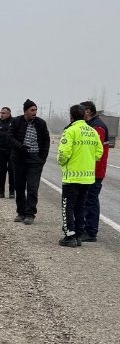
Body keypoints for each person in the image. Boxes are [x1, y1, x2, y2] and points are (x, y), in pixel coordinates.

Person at [57, 104, 103, 247]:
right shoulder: (92, 132)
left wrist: (62, 162)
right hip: (88, 177)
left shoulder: (70, 131)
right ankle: (78, 234)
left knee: (68, 206)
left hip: (72, 176)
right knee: (81, 206)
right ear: (84, 115)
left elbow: (64, 153)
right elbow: (99, 153)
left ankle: (69, 235)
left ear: (71, 116)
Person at [7, 99, 50, 225]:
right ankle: (21, 212)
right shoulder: (16, 122)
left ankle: (30, 214)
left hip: (35, 160)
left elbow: (46, 141)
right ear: (25, 111)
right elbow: (9, 137)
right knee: (19, 187)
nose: (34, 112)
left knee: (32, 187)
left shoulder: (40, 123)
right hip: (19, 159)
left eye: (35, 110)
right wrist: (20, 147)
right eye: (32, 110)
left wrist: (42, 158)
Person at [77, 100, 109, 242]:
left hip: (95, 171)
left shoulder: (97, 127)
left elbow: (95, 152)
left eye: (81, 110)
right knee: (88, 199)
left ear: (87, 111)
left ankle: (90, 231)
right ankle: (86, 228)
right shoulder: (92, 125)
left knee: (90, 200)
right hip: (91, 170)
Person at [0, 106, 15, 199]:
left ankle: (12, 192)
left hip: (12, 151)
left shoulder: (14, 122)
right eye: (1, 113)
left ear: (9, 114)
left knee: (12, 171)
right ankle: (1, 192)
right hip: (0, 151)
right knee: (1, 171)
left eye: (3, 113)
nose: (1, 114)